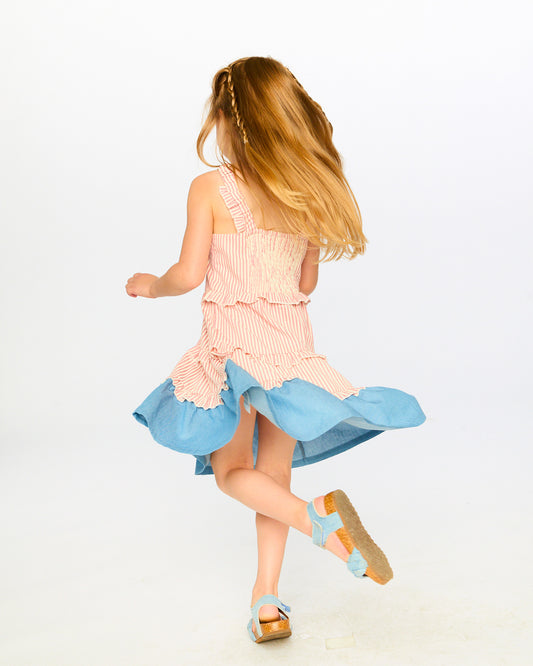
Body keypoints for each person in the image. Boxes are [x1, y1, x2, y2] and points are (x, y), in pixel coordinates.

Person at [125, 56, 426, 644]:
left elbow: (188, 274)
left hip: (236, 353)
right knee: (274, 474)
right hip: (290, 354)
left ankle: (318, 522)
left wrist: (149, 285)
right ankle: (266, 600)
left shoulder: (212, 188)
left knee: (232, 472)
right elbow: (305, 284)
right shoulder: (305, 193)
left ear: (230, 119)